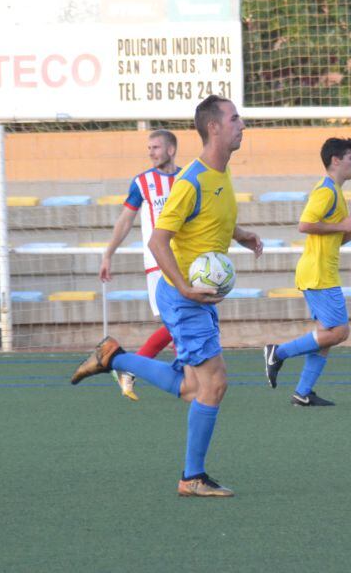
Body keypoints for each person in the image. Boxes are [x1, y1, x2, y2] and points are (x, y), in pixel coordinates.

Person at [70, 96, 264, 498]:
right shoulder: (190, 180)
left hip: (197, 298)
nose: (241, 124)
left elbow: (212, 220)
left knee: (193, 387)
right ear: (213, 127)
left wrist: (242, 236)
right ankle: (192, 477)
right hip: (184, 297)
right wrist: (183, 287)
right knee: (213, 384)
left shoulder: (220, 175)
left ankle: (115, 357)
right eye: (234, 118)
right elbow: (159, 240)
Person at [263, 138, 351, 406]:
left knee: (325, 336)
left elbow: (332, 237)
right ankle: (278, 352)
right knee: (339, 332)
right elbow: (305, 225)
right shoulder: (326, 191)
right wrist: (341, 226)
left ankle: (303, 392)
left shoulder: (336, 192)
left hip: (321, 272)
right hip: (319, 273)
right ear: (336, 160)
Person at [98, 130, 182, 401]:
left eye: (156, 147)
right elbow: (125, 221)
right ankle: (130, 367)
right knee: (178, 323)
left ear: (171, 150)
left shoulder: (187, 178)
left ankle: (136, 368)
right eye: (149, 147)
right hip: (157, 263)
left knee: (181, 323)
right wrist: (108, 253)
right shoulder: (142, 182)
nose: (151, 152)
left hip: (187, 261)